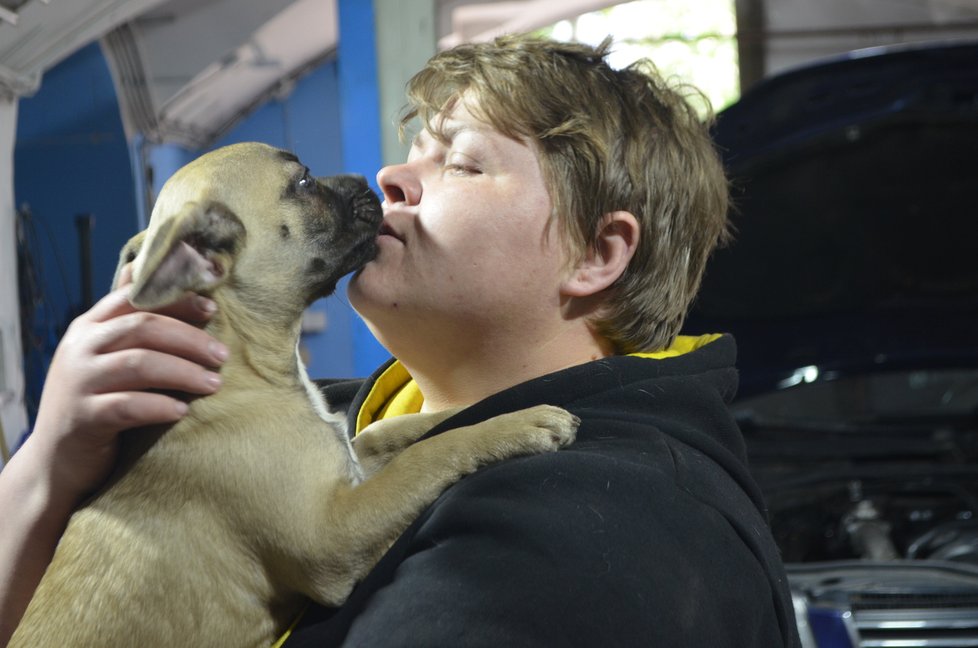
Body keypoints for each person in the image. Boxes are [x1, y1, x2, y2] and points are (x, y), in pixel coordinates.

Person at [0, 34, 801, 647]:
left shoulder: (602, 527)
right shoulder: (345, 416)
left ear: (597, 254)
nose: (390, 179)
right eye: (414, 152)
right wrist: (47, 468)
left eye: (463, 163)